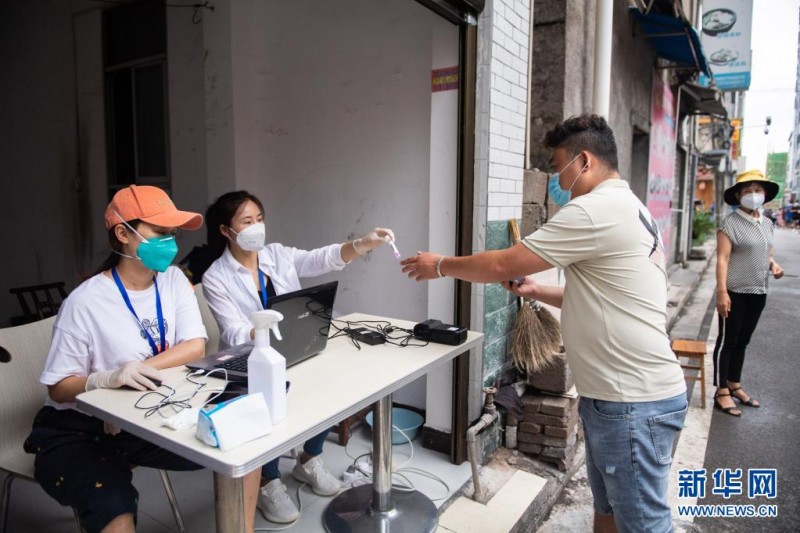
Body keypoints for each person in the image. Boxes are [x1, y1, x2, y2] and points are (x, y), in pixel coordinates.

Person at [400, 114, 687, 532]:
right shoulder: (634, 209)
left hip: (632, 402)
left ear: (583, 161)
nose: (556, 178)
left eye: (557, 166)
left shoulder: (594, 211)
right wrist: (538, 292)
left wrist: (440, 264)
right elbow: (606, 296)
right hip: (622, 398)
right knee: (607, 512)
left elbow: (502, 261)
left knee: (644, 525)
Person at [23, 185, 260, 533]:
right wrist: (102, 380)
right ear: (123, 233)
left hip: (150, 413)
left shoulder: (174, 280)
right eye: (160, 232)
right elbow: (59, 388)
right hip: (79, 429)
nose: (171, 241)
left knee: (244, 443)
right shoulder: (85, 301)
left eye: (173, 232)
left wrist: (140, 371)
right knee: (114, 508)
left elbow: (195, 345)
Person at [201, 190, 395, 523]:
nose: (257, 227)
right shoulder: (215, 276)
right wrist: (265, 325)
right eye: (247, 221)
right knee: (271, 406)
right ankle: (268, 479)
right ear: (225, 231)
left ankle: (309, 458)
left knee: (332, 387)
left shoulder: (276, 254)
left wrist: (362, 244)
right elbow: (232, 333)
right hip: (251, 360)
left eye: (260, 219)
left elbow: (323, 258)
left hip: (298, 347)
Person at [713, 170, 784, 417]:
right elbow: (722, 260)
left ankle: (735, 383)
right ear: (738, 195)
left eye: (758, 190)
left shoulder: (767, 223)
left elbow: (767, 253)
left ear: (765, 194)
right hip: (734, 291)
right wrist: (722, 292)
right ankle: (721, 391)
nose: (754, 195)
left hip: (759, 290)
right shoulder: (730, 224)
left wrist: (773, 265)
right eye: (747, 191)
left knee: (743, 341)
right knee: (727, 342)